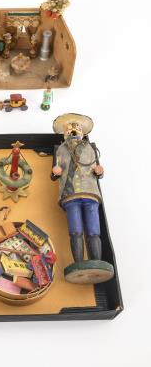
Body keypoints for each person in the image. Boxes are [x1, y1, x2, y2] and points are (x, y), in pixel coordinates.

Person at [51, 113, 114, 284]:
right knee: (75, 231)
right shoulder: (60, 150)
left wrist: (99, 171)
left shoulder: (90, 148)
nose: (73, 132)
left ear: (82, 132)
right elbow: (54, 173)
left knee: (94, 230)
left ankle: (96, 261)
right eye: (69, 130)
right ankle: (78, 263)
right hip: (70, 194)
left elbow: (97, 169)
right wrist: (55, 173)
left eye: (76, 129)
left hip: (89, 192)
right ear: (65, 133)